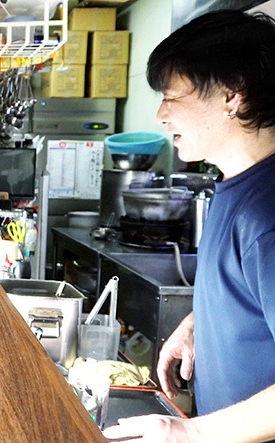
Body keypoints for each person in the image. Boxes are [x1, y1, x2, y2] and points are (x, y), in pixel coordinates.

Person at [103, 10, 275, 443]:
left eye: (171, 97)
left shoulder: (267, 216)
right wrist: (197, 325)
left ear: (232, 94)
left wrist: (191, 433)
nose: (161, 115)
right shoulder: (232, 185)